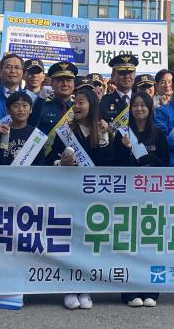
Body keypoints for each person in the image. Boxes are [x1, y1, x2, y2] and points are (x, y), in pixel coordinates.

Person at [54, 89, 113, 311]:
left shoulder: (103, 130)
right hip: (69, 194)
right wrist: (60, 164)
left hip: (94, 196)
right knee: (69, 240)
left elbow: (109, 163)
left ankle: (85, 287)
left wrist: (105, 137)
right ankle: (69, 288)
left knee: (88, 243)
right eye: (74, 102)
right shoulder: (66, 131)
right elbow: (49, 159)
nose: (76, 106)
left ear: (92, 105)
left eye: (81, 102)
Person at [112, 91, 167, 308]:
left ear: (150, 108)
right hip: (128, 196)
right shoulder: (123, 134)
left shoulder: (159, 135)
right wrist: (125, 148)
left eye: (143, 105)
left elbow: (165, 163)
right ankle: (129, 290)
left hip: (153, 196)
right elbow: (115, 164)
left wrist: (146, 156)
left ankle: (151, 290)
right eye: (135, 105)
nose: (139, 109)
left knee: (151, 242)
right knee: (129, 243)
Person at [0, 91, 46, 166]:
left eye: (24, 106)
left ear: (31, 109)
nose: (21, 109)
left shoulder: (36, 135)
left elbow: (40, 163)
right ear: (8, 110)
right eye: (16, 106)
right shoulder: (2, 132)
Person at [29, 62, 77, 142]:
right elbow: (30, 129)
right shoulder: (42, 105)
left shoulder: (77, 108)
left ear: (74, 84)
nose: (65, 84)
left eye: (69, 80)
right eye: (60, 80)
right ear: (52, 83)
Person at [100, 54, 138, 128]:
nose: (126, 76)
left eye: (130, 72)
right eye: (122, 73)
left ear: (135, 75)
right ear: (112, 76)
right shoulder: (105, 101)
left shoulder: (140, 100)